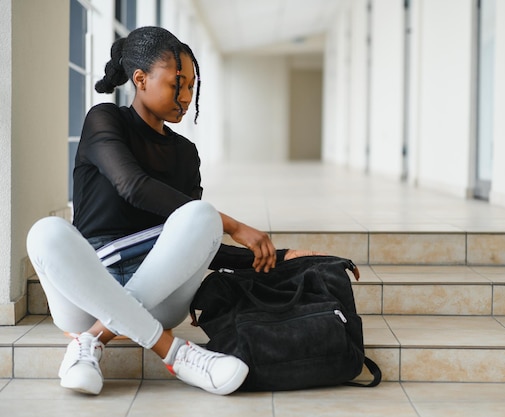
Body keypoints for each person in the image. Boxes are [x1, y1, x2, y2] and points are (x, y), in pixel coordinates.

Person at [26, 26, 313, 397]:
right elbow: (132, 186)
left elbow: (197, 242)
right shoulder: (104, 120)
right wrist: (235, 225)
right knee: (45, 232)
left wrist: (284, 256)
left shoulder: (185, 153)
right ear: (140, 79)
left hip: (159, 297)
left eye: (191, 86)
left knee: (201, 215)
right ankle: (174, 352)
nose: (185, 96)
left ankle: (92, 340)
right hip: (88, 292)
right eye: (177, 84)